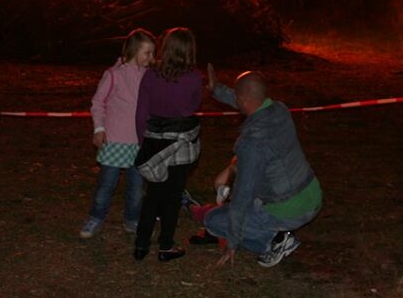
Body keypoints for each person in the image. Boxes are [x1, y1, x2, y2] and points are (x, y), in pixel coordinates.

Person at [202, 68, 322, 268]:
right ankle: (277, 233)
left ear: (242, 99)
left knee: (213, 220)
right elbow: (247, 99)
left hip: (289, 208)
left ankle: (271, 243)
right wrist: (217, 90)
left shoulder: (252, 142)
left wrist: (232, 243)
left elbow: (242, 197)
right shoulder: (279, 110)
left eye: (237, 97)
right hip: (312, 194)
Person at [133, 28, 202, 262]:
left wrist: (141, 140)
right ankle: (165, 246)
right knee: (173, 196)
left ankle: (141, 245)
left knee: (152, 195)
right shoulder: (193, 77)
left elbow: (141, 110)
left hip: (154, 140)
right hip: (180, 144)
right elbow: (192, 106)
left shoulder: (151, 75)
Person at [80, 29, 155, 239]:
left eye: (152, 53)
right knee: (106, 185)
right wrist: (99, 129)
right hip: (114, 141)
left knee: (136, 187)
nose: (151, 58)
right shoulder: (113, 75)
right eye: (147, 53)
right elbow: (97, 103)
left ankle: (132, 219)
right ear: (133, 51)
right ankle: (96, 217)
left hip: (139, 142)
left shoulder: (149, 76)